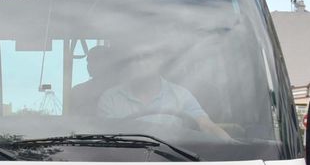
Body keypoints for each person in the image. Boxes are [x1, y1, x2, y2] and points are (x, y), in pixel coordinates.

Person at [97, 44, 230, 139]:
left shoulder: (181, 95)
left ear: (159, 60)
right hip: (122, 163)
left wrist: (231, 144)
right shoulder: (110, 98)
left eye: (146, 56)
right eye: (133, 58)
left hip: (174, 161)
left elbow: (206, 125)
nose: (139, 62)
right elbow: (107, 139)